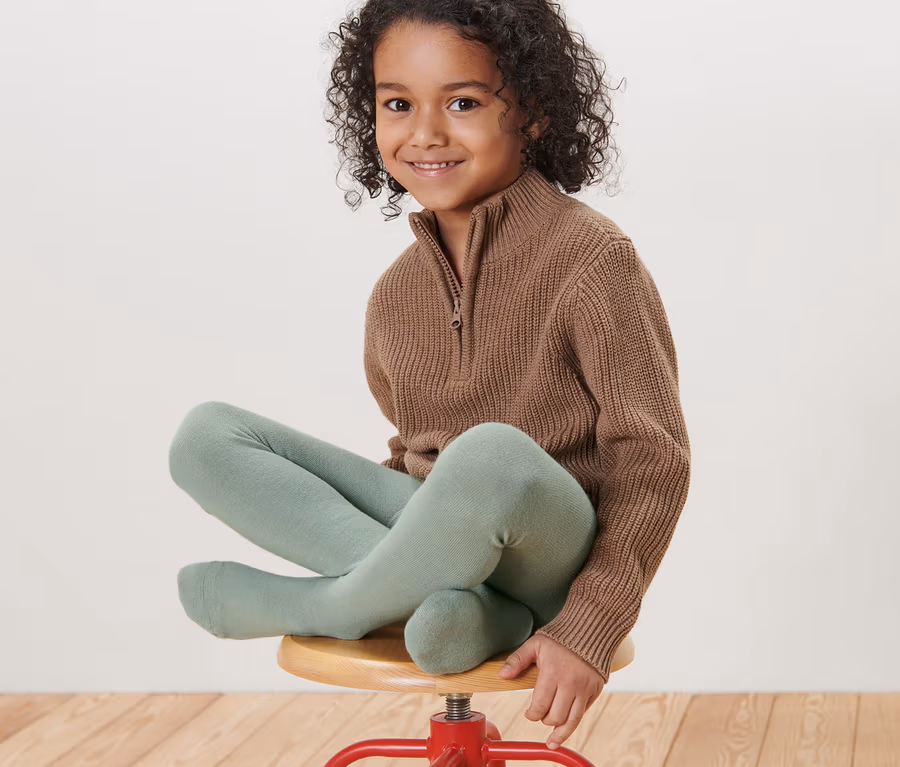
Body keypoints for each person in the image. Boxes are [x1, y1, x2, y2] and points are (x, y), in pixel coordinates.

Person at [169, 0, 692, 751]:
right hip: (445, 538)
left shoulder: (593, 259)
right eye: (398, 104)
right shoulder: (394, 295)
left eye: (463, 102)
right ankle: (459, 607)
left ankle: (336, 605)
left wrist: (590, 622)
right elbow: (414, 454)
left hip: (554, 555)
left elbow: (654, 457)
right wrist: (415, 538)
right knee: (207, 436)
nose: (425, 133)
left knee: (489, 452)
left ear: (535, 113)